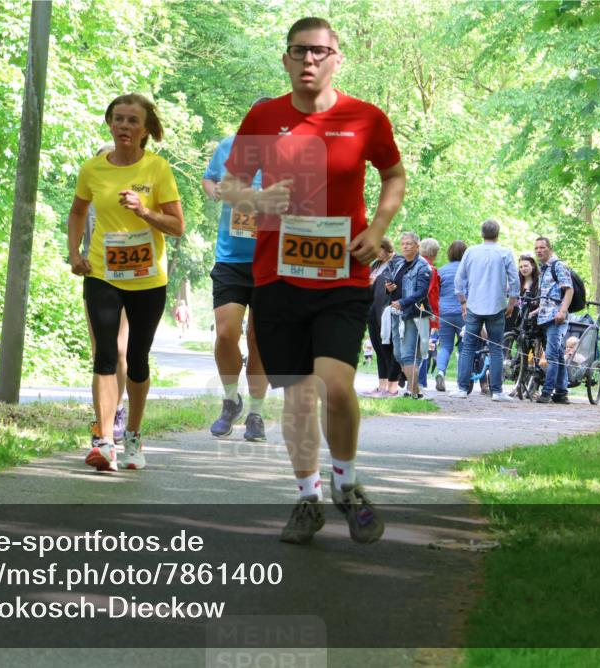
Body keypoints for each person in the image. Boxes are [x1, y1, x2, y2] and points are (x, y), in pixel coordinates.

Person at [221, 16, 406, 545]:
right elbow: (229, 184)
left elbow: (393, 174)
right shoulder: (263, 116)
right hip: (277, 275)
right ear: (285, 58)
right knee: (299, 397)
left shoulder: (365, 117)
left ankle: (345, 485)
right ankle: (307, 497)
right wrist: (255, 200)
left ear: (336, 59)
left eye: (320, 52)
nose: (309, 60)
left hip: (344, 272)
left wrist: (378, 227)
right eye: (299, 51)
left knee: (338, 385)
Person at [67, 93, 185, 472]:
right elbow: (77, 212)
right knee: (104, 353)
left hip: (148, 278)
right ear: (109, 123)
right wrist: (75, 253)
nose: (124, 126)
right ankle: (103, 440)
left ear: (146, 129)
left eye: (133, 121)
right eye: (118, 119)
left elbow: (177, 227)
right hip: (102, 272)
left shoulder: (158, 169)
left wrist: (144, 210)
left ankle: (132, 434)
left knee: (136, 358)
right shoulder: (92, 169)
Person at [203, 102, 272, 440]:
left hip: (271, 261)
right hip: (231, 258)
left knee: (260, 340)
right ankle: (231, 400)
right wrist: (214, 190)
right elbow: (210, 180)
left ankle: (256, 415)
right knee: (226, 333)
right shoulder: (229, 147)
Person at [77, 143, 130, 444]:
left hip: (130, 279)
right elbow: (77, 226)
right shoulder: (88, 197)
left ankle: (119, 409)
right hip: (97, 276)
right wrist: (78, 257)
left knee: (121, 350)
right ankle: (102, 419)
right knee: (100, 351)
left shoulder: (131, 196)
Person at [452, 219, 519, 401]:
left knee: (468, 347)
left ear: (482, 234)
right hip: (497, 306)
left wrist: (463, 302)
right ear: (497, 234)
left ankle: (462, 388)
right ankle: (497, 391)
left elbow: (459, 280)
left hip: (474, 305)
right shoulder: (505, 252)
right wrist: (512, 303)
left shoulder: (471, 252)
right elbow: (514, 280)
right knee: (496, 348)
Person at [388, 231, 433, 399]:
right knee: (398, 354)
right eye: (403, 243)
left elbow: (422, 292)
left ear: (417, 246)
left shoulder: (423, 266)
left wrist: (404, 302)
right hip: (396, 314)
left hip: (413, 314)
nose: (405, 246)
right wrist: (390, 288)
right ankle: (418, 391)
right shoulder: (399, 263)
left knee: (408, 354)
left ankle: (413, 393)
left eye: (409, 243)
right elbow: (394, 284)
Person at [532, 236, 574, 404]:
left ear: (549, 248)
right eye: (536, 248)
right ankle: (562, 392)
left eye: (542, 247)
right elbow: (548, 296)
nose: (539, 250)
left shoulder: (558, 266)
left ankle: (547, 391)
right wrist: (536, 311)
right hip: (544, 316)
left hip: (556, 318)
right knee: (557, 355)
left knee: (550, 355)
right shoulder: (543, 269)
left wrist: (562, 311)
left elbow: (569, 290)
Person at [364, 239, 403, 397]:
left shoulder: (397, 262)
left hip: (387, 311)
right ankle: (382, 385)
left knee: (389, 349)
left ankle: (392, 387)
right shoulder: (375, 264)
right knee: (378, 349)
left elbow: (399, 285)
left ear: (386, 248)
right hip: (372, 311)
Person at [433, 240, 467, 392]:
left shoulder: (441, 270)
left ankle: (440, 372)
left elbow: (436, 292)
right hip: (463, 313)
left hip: (444, 313)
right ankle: (462, 383)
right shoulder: (468, 270)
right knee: (464, 347)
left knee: (445, 346)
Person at [417, 237, 441, 390]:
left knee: (419, 346)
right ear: (434, 253)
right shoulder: (429, 269)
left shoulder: (416, 265)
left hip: (420, 311)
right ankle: (421, 382)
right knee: (424, 347)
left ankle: (416, 380)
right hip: (426, 313)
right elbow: (426, 292)